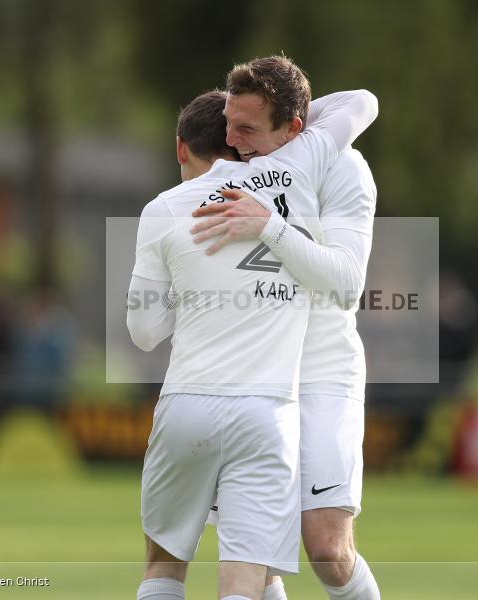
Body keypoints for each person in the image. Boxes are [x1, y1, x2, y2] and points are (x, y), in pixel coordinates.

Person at [127, 85, 378, 600]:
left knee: (327, 549)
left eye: (247, 129)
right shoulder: (245, 178)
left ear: (293, 129)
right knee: (256, 563)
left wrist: (271, 229)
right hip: (256, 384)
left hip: (321, 370)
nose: (234, 143)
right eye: (228, 130)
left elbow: (346, 285)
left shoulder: (334, 167)